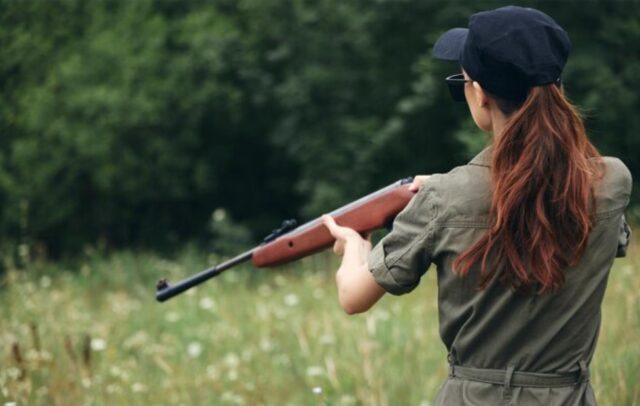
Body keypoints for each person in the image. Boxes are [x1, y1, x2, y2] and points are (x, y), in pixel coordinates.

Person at [322, 5, 632, 405]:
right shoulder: (612, 182)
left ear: (480, 94)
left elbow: (353, 296)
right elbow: (536, 195)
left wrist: (354, 244)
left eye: (461, 82)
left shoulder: (445, 199)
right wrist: (450, 190)